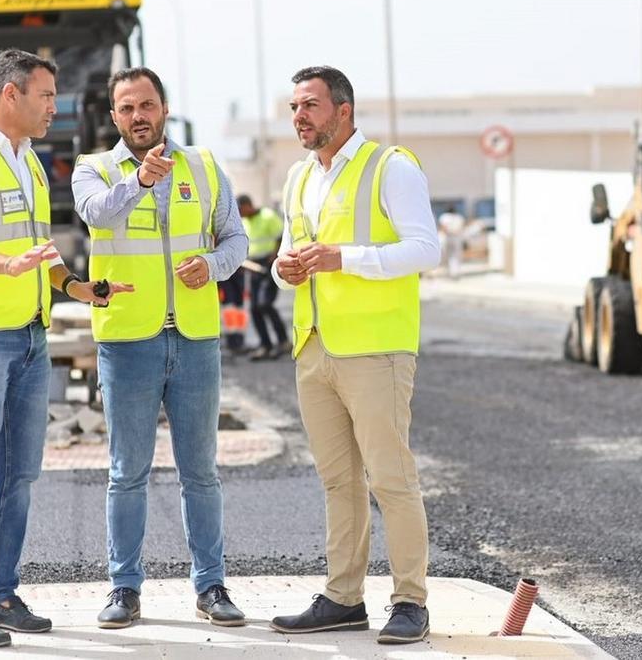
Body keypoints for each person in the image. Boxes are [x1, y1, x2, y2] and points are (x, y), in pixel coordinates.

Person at [0, 48, 127, 649]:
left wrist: (75, 287)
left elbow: (40, 246)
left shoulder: (29, 161)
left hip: (30, 336)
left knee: (18, 475)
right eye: (44, 97)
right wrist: (5, 266)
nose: (52, 109)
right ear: (10, 94)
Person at [71, 67, 248, 630]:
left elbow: (236, 238)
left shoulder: (204, 165)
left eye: (146, 105)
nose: (137, 116)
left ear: (165, 109)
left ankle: (211, 586)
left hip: (194, 338)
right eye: (126, 108)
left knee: (202, 471)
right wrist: (141, 182)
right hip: (128, 340)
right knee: (128, 472)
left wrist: (215, 266)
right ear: (114, 116)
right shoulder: (92, 170)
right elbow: (97, 215)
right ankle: (124, 588)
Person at [269, 66, 439, 645]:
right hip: (314, 346)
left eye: (310, 105)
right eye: (294, 106)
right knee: (338, 482)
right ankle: (343, 597)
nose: (299, 116)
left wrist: (348, 258)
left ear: (343, 110)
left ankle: (410, 601)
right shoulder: (298, 177)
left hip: (376, 349)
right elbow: (288, 255)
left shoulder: (391, 166)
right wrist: (283, 268)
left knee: (392, 479)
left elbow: (424, 249)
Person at [238, 194, 289, 360]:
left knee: (265, 304)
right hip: (253, 267)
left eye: (241, 209)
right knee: (254, 308)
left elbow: (281, 237)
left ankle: (283, 342)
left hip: (268, 265)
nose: (240, 213)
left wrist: (274, 257)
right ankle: (265, 345)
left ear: (248, 205)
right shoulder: (245, 222)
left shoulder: (267, 216)